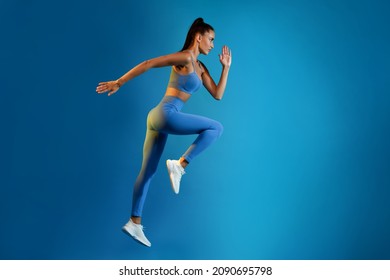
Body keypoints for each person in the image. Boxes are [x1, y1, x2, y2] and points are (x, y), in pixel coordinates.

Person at [96, 18, 232, 247]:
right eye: (211, 39)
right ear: (198, 37)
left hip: (157, 118)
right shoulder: (186, 57)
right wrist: (120, 81)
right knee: (216, 128)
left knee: (147, 172)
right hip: (166, 114)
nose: (213, 45)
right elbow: (149, 63)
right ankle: (180, 164)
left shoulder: (200, 68)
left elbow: (218, 94)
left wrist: (226, 68)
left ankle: (134, 222)